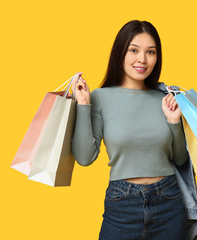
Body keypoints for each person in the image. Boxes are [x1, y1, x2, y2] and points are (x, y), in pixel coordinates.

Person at [71, 20, 189, 240]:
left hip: (169, 202)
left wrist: (174, 121)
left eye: (150, 52)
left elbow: (180, 158)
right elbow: (84, 157)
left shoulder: (165, 97)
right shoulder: (100, 97)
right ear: (120, 53)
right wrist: (84, 105)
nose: (142, 59)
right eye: (133, 50)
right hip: (122, 203)